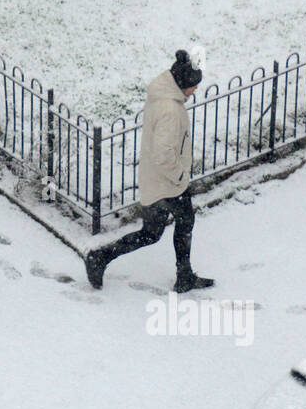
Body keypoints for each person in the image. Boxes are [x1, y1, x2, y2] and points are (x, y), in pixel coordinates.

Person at [85, 50, 215, 292]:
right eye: (193, 85)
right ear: (182, 84)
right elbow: (163, 154)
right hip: (168, 183)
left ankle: (101, 257)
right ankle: (183, 275)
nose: (195, 90)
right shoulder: (170, 110)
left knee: (152, 233)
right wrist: (180, 176)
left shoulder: (162, 96)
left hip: (156, 180)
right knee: (182, 222)